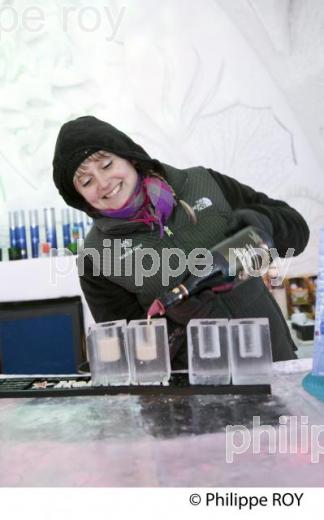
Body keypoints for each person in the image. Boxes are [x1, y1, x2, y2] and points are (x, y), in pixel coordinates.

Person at [53, 115, 309, 367]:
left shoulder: (204, 183)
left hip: (274, 359)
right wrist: (175, 321)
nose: (103, 183)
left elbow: (298, 233)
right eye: (86, 181)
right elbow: (129, 353)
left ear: (130, 157)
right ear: (79, 197)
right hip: (194, 390)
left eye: (107, 165)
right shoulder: (96, 257)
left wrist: (263, 223)